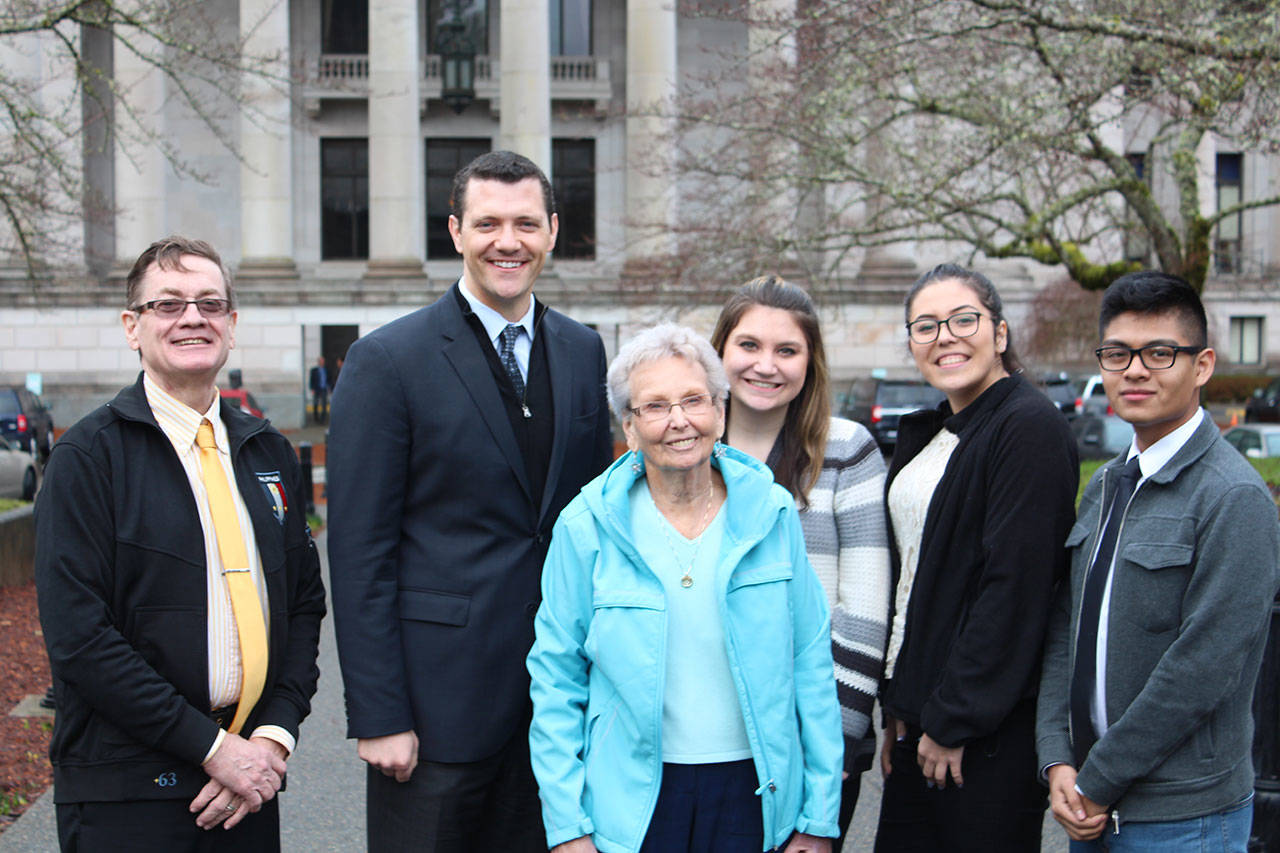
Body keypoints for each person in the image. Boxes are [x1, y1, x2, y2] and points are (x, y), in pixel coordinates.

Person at [327, 150, 614, 852]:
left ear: (551, 230)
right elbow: (359, 551)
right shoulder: (387, 360)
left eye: (524, 223)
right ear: (455, 231)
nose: (506, 241)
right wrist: (379, 712)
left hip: (557, 705)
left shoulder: (584, 351)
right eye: (488, 223)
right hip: (434, 713)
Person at [34, 236, 327, 852]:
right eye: (167, 304)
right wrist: (210, 749)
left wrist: (271, 738)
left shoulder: (267, 452)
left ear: (232, 323)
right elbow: (79, 637)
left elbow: (302, 607)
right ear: (131, 327)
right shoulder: (88, 457)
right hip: (129, 792)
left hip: (248, 783)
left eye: (209, 303)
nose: (192, 317)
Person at [528, 323, 843, 853]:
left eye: (694, 400)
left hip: (755, 793)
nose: (679, 421)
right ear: (628, 425)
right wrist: (568, 827)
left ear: (720, 412)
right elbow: (556, 678)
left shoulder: (771, 513)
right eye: (655, 406)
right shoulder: (586, 527)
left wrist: (819, 816)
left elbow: (810, 665)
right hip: (634, 802)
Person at [1037, 270, 1280, 852]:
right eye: (1118, 353)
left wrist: (1095, 780)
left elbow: (1201, 670)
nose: (1136, 370)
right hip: (1088, 806)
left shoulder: (1233, 497)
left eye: (1160, 352)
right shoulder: (1105, 487)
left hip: (1184, 819)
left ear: (1202, 366)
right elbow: (1066, 632)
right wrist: (1056, 761)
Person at [874, 263, 1078, 852]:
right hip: (925, 719)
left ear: (1001, 333)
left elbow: (1013, 589)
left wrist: (954, 719)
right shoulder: (946, 429)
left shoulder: (1027, 426)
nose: (945, 336)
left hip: (980, 734)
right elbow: (919, 580)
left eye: (964, 320)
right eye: (926, 326)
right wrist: (904, 710)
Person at [710, 275, 890, 846]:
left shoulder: (846, 451)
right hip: (705, 736)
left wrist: (828, 739)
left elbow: (861, 611)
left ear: (810, 363)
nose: (766, 365)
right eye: (749, 345)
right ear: (719, 352)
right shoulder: (687, 449)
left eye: (787, 350)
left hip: (811, 732)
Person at [308, 356, 330, 424]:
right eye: (321, 361)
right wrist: (312, 388)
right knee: (315, 404)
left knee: (324, 405)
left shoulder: (327, 370)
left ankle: (322, 420)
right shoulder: (314, 370)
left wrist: (329, 387)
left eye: (323, 361)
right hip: (316, 389)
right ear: (318, 362)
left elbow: (329, 380)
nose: (322, 362)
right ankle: (316, 419)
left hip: (324, 389)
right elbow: (311, 380)